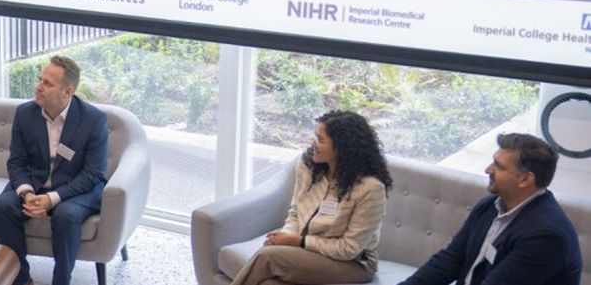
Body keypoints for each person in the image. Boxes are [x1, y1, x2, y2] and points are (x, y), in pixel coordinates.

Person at [232, 110, 392, 285]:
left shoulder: (370, 189)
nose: (312, 144)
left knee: (267, 257)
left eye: (321, 140)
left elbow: (349, 249)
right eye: (315, 136)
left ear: (343, 148)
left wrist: (298, 241)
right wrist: (286, 238)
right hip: (309, 249)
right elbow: (295, 212)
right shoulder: (309, 165)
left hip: (354, 263)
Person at [399, 133, 581, 285]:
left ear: (525, 179)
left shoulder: (546, 236)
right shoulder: (489, 206)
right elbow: (450, 261)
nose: (488, 169)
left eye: (499, 167)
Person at [0, 55, 108, 285]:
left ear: (67, 92)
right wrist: (27, 193)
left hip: (77, 188)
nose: (38, 86)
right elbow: (16, 161)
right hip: (34, 183)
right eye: (39, 79)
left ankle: (61, 281)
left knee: (66, 215)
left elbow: (94, 173)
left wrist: (52, 199)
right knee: (1, 207)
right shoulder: (25, 113)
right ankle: (21, 279)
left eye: (47, 83)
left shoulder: (94, 120)